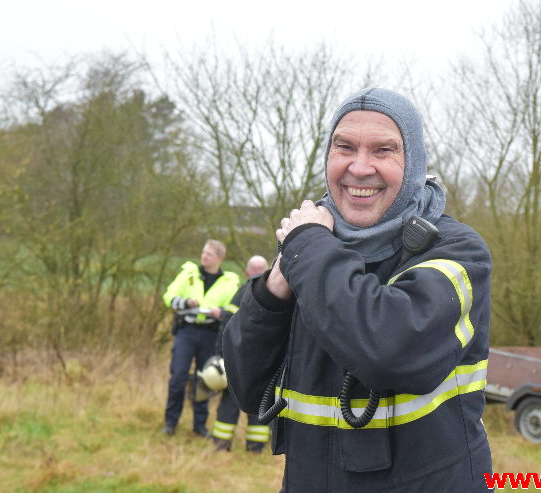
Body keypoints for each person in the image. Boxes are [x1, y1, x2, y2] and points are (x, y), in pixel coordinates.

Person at [224, 88, 493, 492]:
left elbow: (390, 351)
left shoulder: (459, 252)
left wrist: (308, 249)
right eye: (344, 147)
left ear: (414, 163)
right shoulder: (311, 249)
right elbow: (248, 390)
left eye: (383, 150)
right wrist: (273, 290)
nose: (360, 167)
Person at [161, 239, 240, 437]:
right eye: (204, 252)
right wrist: (186, 302)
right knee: (178, 376)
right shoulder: (188, 273)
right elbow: (169, 296)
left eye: (209, 254)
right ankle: (170, 423)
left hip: (211, 334)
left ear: (219, 259)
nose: (204, 256)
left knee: (205, 380)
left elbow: (234, 309)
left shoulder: (229, 282)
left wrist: (220, 312)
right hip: (186, 331)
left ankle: (199, 425)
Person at [211, 254, 271, 452]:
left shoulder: (241, 293)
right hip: (262, 362)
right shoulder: (276, 295)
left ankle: (221, 445)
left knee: (231, 399)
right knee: (260, 402)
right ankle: (255, 447)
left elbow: (226, 325)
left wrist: (221, 354)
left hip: (239, 359)